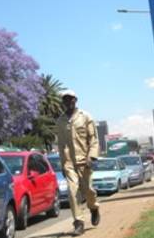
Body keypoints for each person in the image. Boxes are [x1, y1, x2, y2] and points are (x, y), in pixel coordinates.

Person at [57, 89, 100, 236]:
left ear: (76, 100)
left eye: (70, 99)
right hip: (69, 163)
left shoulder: (86, 116)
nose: (68, 102)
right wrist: (63, 164)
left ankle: (94, 208)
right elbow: (61, 145)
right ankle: (78, 223)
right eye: (65, 99)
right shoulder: (60, 121)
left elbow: (93, 139)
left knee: (88, 190)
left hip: (84, 160)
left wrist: (91, 157)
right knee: (72, 191)